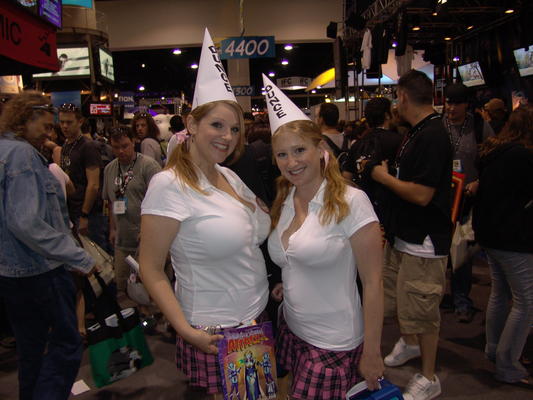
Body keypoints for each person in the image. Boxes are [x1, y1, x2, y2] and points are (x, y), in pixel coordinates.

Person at [139, 29, 270, 398]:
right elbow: (151, 268)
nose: (227, 136)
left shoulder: (230, 175)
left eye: (234, 129)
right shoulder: (169, 185)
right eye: (217, 125)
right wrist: (184, 329)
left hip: (254, 320)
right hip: (214, 329)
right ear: (192, 125)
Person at [262, 74, 384, 399]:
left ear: (320, 150)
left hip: (333, 341)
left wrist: (372, 351)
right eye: (282, 154)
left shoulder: (351, 202)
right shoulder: (285, 198)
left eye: (299, 150)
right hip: (292, 328)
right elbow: (296, 256)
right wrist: (289, 279)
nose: (291, 162)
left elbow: (373, 282)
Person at [0, 91, 95, 400]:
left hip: (12, 273)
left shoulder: (5, 151)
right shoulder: (21, 155)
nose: (49, 132)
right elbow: (26, 222)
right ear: (26, 119)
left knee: (31, 349)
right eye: (45, 125)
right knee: (67, 343)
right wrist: (77, 256)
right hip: (39, 270)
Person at [370, 70, 452, 400]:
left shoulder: (433, 135)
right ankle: (410, 341)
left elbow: (421, 194)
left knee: (423, 312)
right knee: (401, 302)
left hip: (425, 242)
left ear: (403, 96)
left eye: (396, 96)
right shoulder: (417, 132)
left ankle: (429, 377)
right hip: (405, 236)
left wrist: (383, 177)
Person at [472, 106, 533, 389]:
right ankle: (508, 365)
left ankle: (495, 350)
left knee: (500, 294)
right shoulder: (523, 156)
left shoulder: (494, 151)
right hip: (514, 238)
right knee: (526, 302)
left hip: (491, 235)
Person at [443, 83, 494, 323]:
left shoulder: (480, 126)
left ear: (466, 105)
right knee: (439, 249)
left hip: (467, 199)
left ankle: (461, 299)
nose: (451, 108)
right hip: (442, 198)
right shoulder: (438, 125)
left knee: (462, 249)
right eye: (448, 102)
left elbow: (492, 160)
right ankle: (439, 294)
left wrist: (479, 182)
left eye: (456, 103)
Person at [102, 128, 161, 305]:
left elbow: (161, 201)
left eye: (125, 146)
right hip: (122, 239)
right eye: (116, 147)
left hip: (147, 239)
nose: (121, 151)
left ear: (133, 142)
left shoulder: (148, 166)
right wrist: (112, 228)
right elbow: (111, 202)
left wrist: (149, 230)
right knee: (122, 285)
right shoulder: (110, 169)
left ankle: (153, 315)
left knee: (149, 286)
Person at [342, 97, 403, 228]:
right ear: (387, 115)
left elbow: (346, 178)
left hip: (363, 212)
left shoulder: (357, 145)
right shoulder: (399, 141)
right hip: (393, 210)